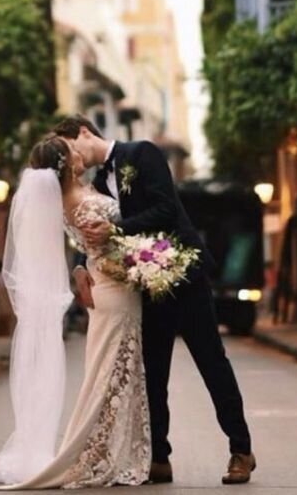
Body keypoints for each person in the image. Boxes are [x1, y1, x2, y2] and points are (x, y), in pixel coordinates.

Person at [54, 114, 256, 486]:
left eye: (69, 148)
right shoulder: (97, 182)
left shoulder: (141, 153)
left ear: (84, 132)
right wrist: (82, 263)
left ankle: (240, 450)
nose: (72, 160)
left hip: (184, 275)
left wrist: (116, 229)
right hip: (143, 283)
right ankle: (159, 457)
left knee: (212, 363)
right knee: (153, 372)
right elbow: (91, 231)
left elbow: (165, 209)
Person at [0, 136, 150, 489]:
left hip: (107, 286)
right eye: (70, 150)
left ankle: (107, 452)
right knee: (107, 378)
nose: (77, 151)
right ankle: (85, 454)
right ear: (65, 163)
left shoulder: (67, 200)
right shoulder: (82, 204)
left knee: (114, 374)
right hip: (114, 290)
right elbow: (110, 241)